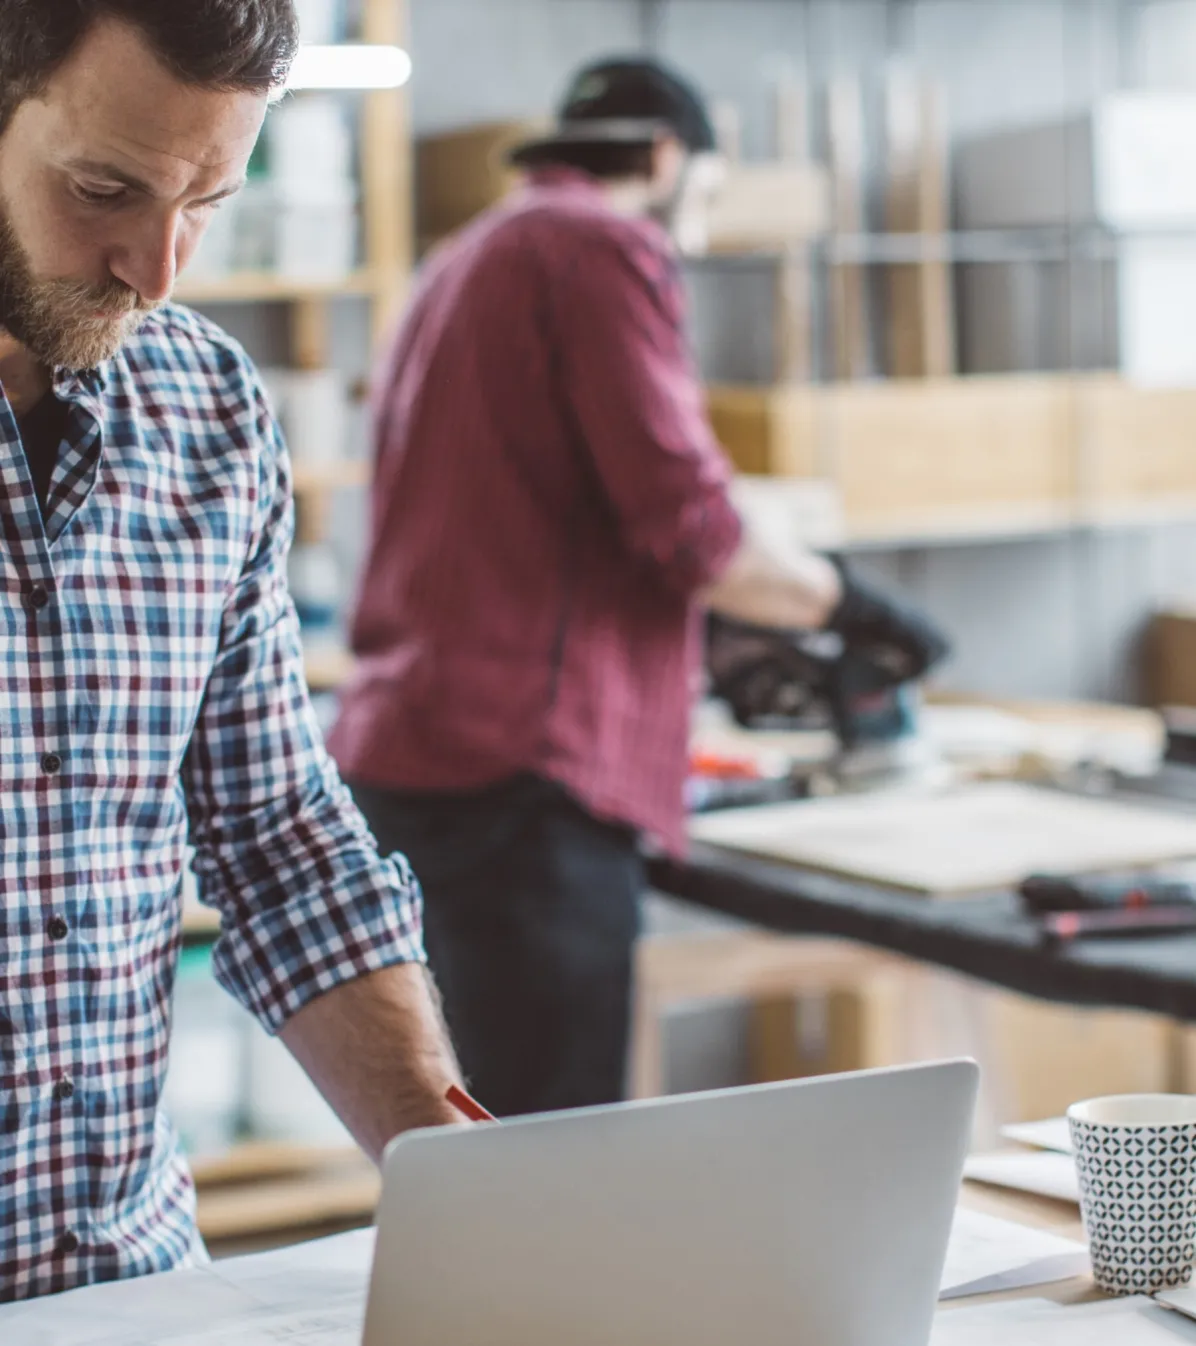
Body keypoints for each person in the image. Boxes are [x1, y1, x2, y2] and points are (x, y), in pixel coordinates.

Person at [329, 58, 944, 1119]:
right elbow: (695, 531)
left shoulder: (466, 256)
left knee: (466, 1146)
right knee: (556, 1151)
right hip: (528, 780)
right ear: (665, 158)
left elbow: (540, 512)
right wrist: (853, 605)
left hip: (417, 759)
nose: (691, 228)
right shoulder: (603, 246)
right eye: (701, 195)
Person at [0, 0, 464, 1306]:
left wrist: (472, 1187)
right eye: (105, 188)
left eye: (207, 199)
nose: (157, 267)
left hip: (137, 1288)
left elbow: (280, 842)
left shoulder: (203, 408)